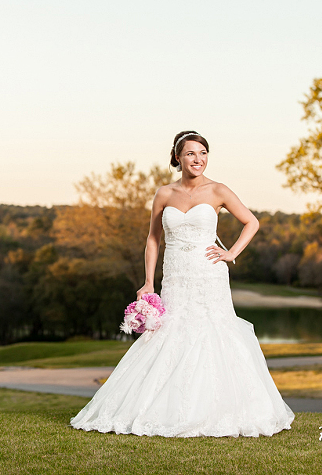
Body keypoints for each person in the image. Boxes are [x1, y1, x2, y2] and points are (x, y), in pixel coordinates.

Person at [70, 131, 295, 437]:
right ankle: (160, 409)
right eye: (191, 153)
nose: (198, 159)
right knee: (171, 335)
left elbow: (251, 222)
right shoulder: (164, 194)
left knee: (213, 332)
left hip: (209, 274)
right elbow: (153, 239)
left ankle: (221, 410)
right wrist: (148, 281)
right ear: (177, 157)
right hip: (174, 274)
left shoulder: (218, 190)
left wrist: (230, 253)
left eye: (203, 153)